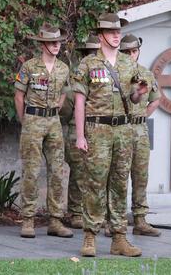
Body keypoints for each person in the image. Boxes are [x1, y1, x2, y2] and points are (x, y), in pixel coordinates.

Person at [71, 13, 147, 257]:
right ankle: (90, 236)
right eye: (111, 32)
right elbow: (79, 102)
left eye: (118, 32)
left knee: (119, 183)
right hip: (98, 130)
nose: (116, 35)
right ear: (101, 35)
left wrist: (139, 92)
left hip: (123, 130)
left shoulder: (129, 64)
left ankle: (119, 238)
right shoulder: (88, 65)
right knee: (95, 182)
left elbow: (134, 99)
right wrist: (80, 135)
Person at [14, 23, 72, 239]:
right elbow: (18, 96)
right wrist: (25, 120)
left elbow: (66, 90)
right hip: (33, 119)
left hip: (53, 122)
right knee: (31, 171)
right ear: (43, 44)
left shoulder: (63, 68)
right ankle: (28, 220)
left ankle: (55, 220)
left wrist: (59, 102)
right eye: (52, 42)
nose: (57, 45)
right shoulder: (29, 67)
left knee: (57, 170)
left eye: (58, 42)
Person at [119, 34, 161, 237]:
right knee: (118, 175)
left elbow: (155, 100)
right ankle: (115, 221)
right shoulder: (116, 74)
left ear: (138, 52)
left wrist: (142, 115)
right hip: (121, 128)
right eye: (126, 52)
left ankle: (140, 219)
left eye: (133, 51)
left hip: (140, 130)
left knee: (140, 174)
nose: (130, 55)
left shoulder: (146, 74)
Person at [60, 34, 100, 230]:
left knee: (99, 175)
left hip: (100, 131)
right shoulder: (75, 83)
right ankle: (76, 212)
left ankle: (96, 212)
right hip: (77, 132)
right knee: (78, 174)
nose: (91, 56)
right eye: (88, 53)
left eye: (95, 53)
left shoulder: (105, 80)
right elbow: (65, 112)